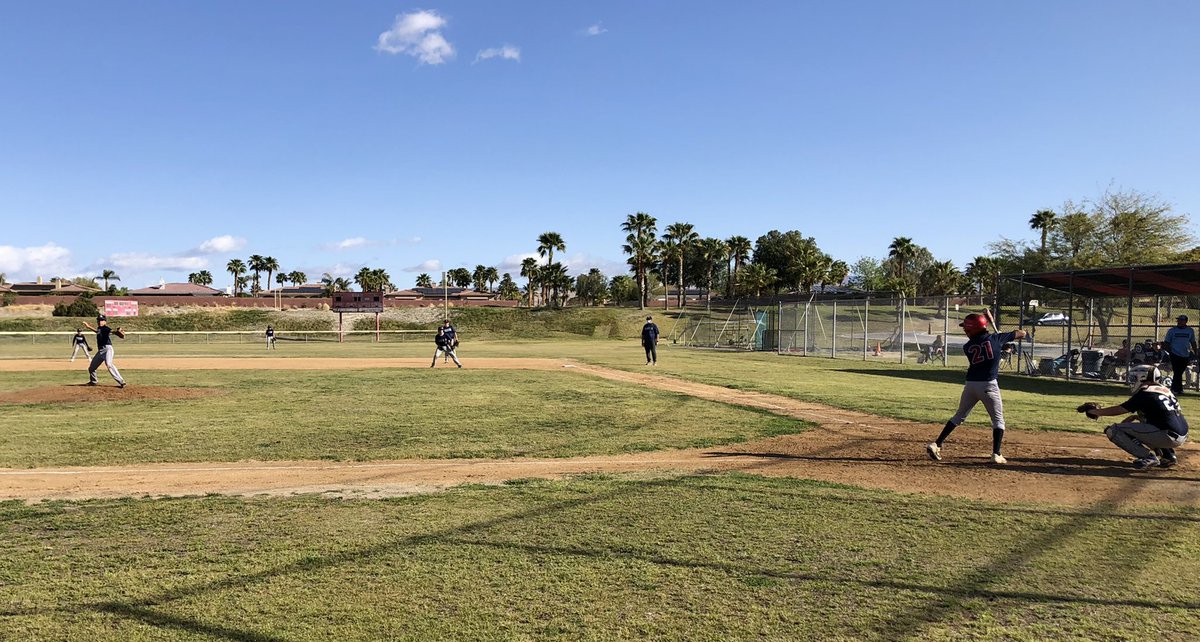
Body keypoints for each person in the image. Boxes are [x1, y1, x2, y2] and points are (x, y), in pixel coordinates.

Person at [926, 310, 1026, 465]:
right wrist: (1002, 340)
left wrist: (999, 343)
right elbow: (1021, 333)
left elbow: (988, 347)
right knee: (998, 421)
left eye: (967, 329)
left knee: (958, 416)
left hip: (971, 385)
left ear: (973, 329)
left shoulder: (968, 346)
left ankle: (937, 444)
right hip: (989, 385)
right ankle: (996, 454)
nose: (966, 331)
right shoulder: (995, 338)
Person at [1084, 366, 1188, 469]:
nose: (1132, 381)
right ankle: (1168, 455)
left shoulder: (1145, 393)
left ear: (1142, 378)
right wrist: (1136, 417)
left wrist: (1095, 412)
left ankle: (1148, 457)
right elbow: (1163, 414)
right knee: (1143, 417)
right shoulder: (1165, 391)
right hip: (1181, 435)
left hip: (1166, 435)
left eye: (1134, 378)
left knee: (1113, 430)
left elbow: (1120, 409)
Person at [81, 314, 126, 388]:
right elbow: (97, 331)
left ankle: (121, 382)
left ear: (105, 322)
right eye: (98, 320)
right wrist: (88, 326)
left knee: (109, 364)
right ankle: (93, 381)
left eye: (102, 320)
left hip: (107, 349)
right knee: (92, 368)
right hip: (100, 351)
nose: (100, 322)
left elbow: (111, 331)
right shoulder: (99, 328)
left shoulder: (105, 328)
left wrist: (117, 332)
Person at [1163, 315, 1198, 395]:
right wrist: (1170, 352)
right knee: (1177, 371)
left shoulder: (1190, 331)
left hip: (1185, 354)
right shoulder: (1172, 331)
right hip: (1175, 354)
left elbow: (1193, 342)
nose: (1179, 322)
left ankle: (1177, 389)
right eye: (1178, 320)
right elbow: (1166, 342)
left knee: (1179, 372)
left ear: (1185, 321)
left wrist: (1195, 352)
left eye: (1181, 320)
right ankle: (1176, 389)